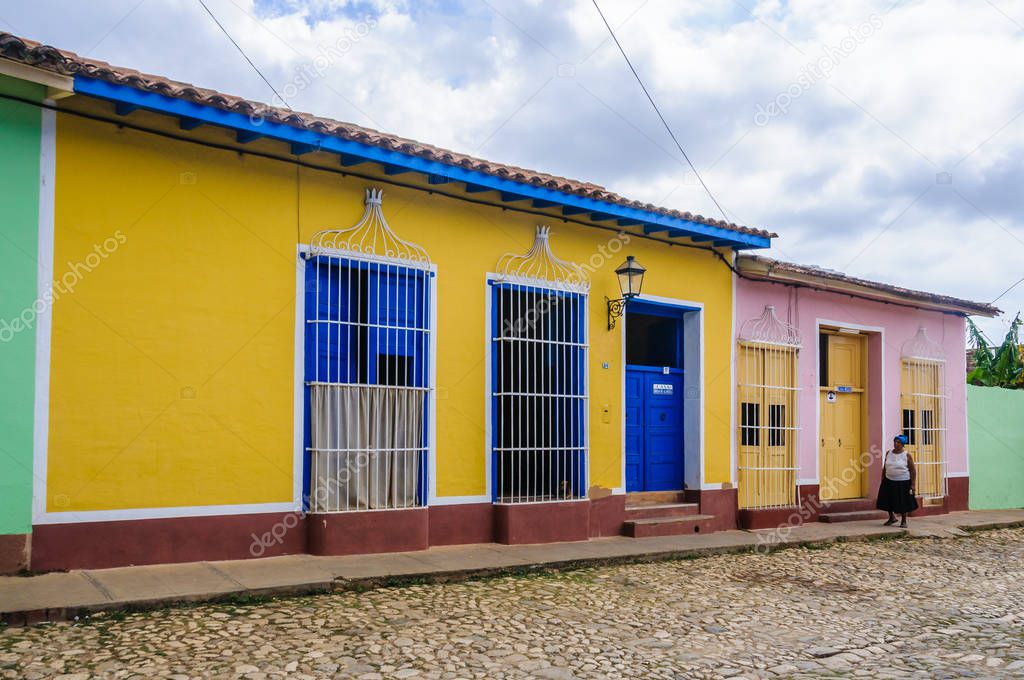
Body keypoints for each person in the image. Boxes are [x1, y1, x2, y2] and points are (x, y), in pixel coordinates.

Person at [876, 434, 918, 527]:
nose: (896, 444)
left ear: (903, 444)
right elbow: (885, 467)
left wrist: (913, 484)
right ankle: (892, 518)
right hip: (889, 480)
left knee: (903, 501)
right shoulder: (888, 453)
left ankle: (904, 521)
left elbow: (912, 470)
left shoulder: (906, 455)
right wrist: (882, 478)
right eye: (895, 441)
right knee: (887, 499)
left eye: (898, 442)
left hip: (903, 482)